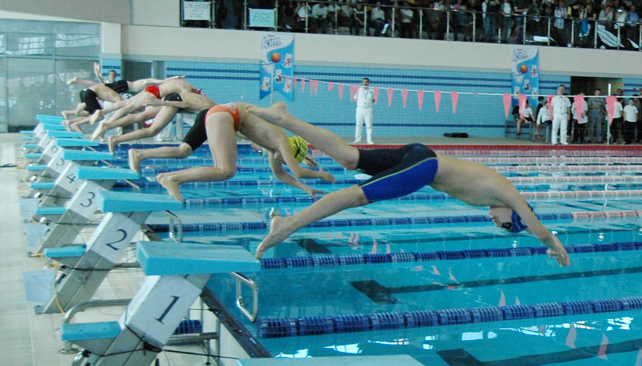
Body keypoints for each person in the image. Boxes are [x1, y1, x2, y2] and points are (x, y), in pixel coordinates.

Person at [251, 103, 570, 266]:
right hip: (425, 167)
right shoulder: (510, 196)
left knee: (349, 158)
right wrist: (553, 244)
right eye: (504, 226)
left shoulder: (493, 197)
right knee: (355, 197)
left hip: (418, 156)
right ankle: (288, 224)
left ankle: (285, 118)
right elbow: (536, 226)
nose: (496, 224)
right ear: (513, 216)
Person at [127, 96, 335, 202]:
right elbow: (296, 171)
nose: (281, 161)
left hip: (222, 114)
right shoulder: (280, 139)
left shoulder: (274, 149)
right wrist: (321, 176)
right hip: (224, 115)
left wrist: (306, 188)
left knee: (220, 167)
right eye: (286, 158)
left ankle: (167, 177)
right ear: (289, 151)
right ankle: (172, 178)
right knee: (225, 170)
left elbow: (281, 175)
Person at [354, 78, 374, 144]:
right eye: (363, 82)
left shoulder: (372, 91)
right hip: (360, 109)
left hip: (368, 109)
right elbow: (355, 99)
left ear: (368, 83)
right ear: (362, 82)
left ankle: (369, 140)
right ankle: (357, 139)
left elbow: (373, 100)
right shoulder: (358, 90)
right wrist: (361, 103)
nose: (365, 83)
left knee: (369, 125)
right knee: (358, 124)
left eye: (366, 82)